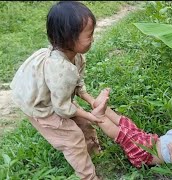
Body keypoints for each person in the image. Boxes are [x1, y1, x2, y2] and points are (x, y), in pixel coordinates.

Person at [10, 2, 103, 180]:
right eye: (89, 35)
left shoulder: (76, 57)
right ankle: (88, 176)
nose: (93, 39)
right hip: (41, 105)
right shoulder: (60, 69)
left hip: (57, 98)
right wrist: (90, 115)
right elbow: (61, 108)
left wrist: (90, 100)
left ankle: (95, 152)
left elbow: (76, 84)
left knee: (84, 124)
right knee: (73, 138)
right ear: (69, 38)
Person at [90, 88, 172, 168]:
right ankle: (103, 107)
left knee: (124, 136)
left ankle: (100, 117)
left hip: (146, 153)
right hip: (149, 140)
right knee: (127, 123)